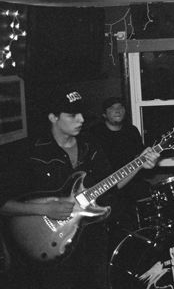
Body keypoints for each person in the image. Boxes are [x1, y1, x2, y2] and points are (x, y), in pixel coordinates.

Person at [0, 89, 160, 289]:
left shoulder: (90, 145)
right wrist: (45, 209)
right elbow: (4, 204)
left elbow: (112, 185)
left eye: (81, 113)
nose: (81, 119)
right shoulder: (31, 153)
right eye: (72, 115)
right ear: (53, 117)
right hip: (49, 248)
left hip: (92, 242)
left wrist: (139, 163)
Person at [88, 96, 152, 249]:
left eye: (120, 107)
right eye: (112, 108)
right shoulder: (94, 133)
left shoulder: (131, 131)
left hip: (132, 186)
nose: (117, 110)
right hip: (105, 191)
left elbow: (140, 157)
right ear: (104, 114)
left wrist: (149, 161)